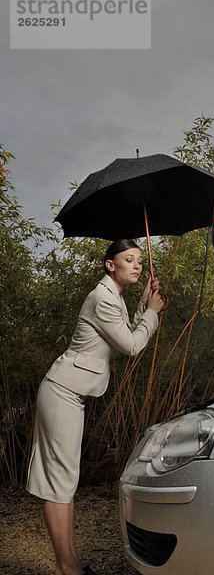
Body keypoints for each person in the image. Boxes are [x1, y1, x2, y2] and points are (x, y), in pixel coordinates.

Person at [26, 239, 164, 575]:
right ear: (110, 265)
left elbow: (118, 342)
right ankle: (65, 568)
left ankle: (70, 563)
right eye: (128, 260)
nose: (137, 266)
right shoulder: (102, 297)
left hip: (70, 394)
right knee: (58, 482)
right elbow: (132, 346)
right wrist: (152, 313)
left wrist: (141, 307)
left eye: (139, 262)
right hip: (62, 392)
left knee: (65, 481)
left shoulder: (112, 297)